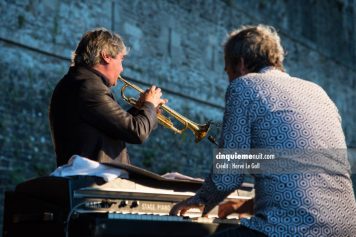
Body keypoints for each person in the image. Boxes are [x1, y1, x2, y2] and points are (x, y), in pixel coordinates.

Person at [170, 24, 356, 236]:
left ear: (240, 64)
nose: (229, 78)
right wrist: (250, 204)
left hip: (292, 231)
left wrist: (199, 200)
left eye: (227, 71)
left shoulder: (245, 87)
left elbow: (227, 177)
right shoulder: (319, 93)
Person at [49, 27, 166, 167]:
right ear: (106, 56)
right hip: (95, 180)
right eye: (121, 59)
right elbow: (136, 132)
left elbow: (114, 126)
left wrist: (141, 109)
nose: (122, 69)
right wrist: (149, 105)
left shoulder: (77, 81)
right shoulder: (90, 88)